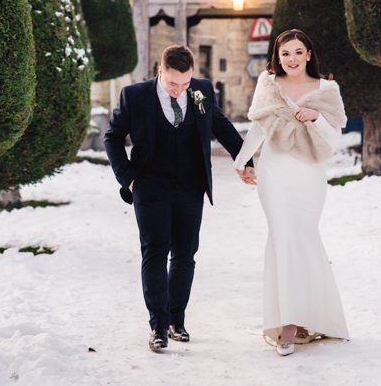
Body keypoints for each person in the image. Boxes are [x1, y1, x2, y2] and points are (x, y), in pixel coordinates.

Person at [105, 45, 252, 352]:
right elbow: (113, 136)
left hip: (190, 186)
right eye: (173, 83)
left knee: (185, 255)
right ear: (160, 71)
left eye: (185, 83)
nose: (179, 90)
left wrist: (245, 160)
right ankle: (158, 326)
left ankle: (176, 320)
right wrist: (128, 178)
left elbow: (221, 126)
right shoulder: (135, 96)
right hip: (149, 186)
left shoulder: (202, 91)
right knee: (155, 252)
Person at [233, 29, 350, 356]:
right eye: (285, 53)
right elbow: (258, 127)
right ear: (277, 56)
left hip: (309, 175)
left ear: (309, 54)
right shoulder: (268, 84)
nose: (292, 59)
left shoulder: (327, 89)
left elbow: (334, 138)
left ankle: (309, 316)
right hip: (275, 173)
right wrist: (242, 161)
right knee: (282, 237)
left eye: (299, 52)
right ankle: (286, 323)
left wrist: (316, 117)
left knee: (305, 238)